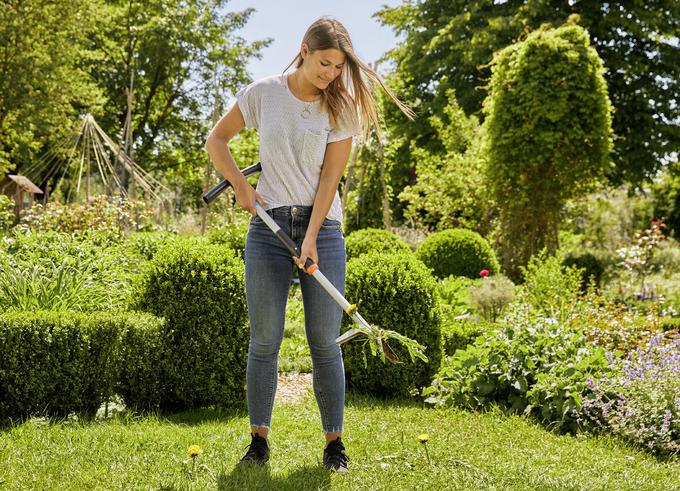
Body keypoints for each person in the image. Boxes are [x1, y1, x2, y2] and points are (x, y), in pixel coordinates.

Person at [204, 16, 413, 474]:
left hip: (324, 230)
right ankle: (258, 441)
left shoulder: (341, 108)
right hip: (267, 230)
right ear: (303, 50)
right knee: (265, 340)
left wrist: (314, 235)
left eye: (338, 67)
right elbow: (216, 140)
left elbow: (329, 180)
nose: (331, 74)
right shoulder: (264, 93)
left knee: (324, 341)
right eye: (324, 63)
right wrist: (240, 185)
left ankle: (334, 445)